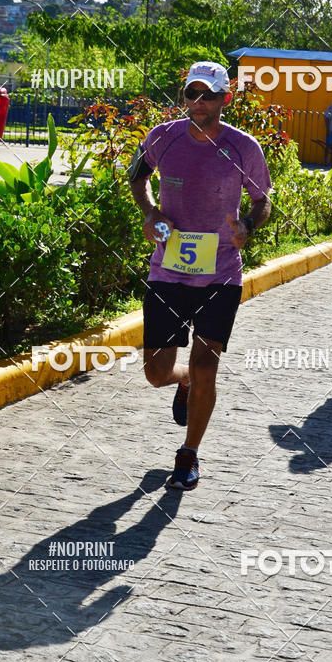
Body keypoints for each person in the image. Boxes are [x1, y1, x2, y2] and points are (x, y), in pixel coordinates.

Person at [129, 61, 271, 490]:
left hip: (220, 273)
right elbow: (137, 176)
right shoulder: (163, 137)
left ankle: (188, 454)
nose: (198, 102)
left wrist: (248, 224)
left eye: (208, 95)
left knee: (207, 363)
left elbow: (262, 200)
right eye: (192, 93)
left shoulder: (244, 147)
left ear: (226, 98)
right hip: (168, 270)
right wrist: (150, 210)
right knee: (156, 372)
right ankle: (182, 379)